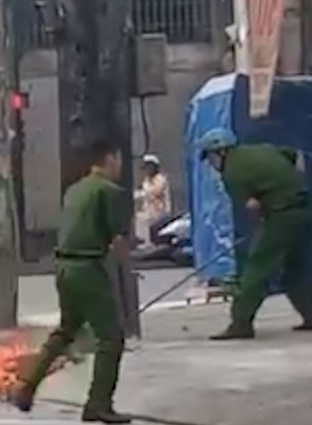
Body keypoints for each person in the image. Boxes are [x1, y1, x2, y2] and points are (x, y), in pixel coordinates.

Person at [10, 139, 132, 425]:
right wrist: (127, 267)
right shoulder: (109, 191)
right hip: (89, 269)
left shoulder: (74, 190)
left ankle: (26, 387)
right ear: (111, 158)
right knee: (111, 339)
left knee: (65, 331)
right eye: (119, 160)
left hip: (64, 269)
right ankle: (98, 403)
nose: (120, 166)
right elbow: (117, 239)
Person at [197, 128, 312, 340]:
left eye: (210, 156)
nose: (211, 163)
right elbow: (292, 155)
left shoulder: (231, 173)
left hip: (281, 215)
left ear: (221, 152)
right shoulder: (263, 149)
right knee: (295, 267)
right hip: (304, 210)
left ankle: (241, 323)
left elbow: (252, 206)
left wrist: (264, 224)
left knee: (258, 268)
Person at [134, 153, 172, 244]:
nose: (147, 169)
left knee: (142, 219)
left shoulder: (161, 178)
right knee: (137, 217)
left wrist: (142, 194)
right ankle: (142, 241)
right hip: (150, 212)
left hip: (161, 213)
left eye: (149, 166)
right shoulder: (147, 180)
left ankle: (147, 243)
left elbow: (156, 191)